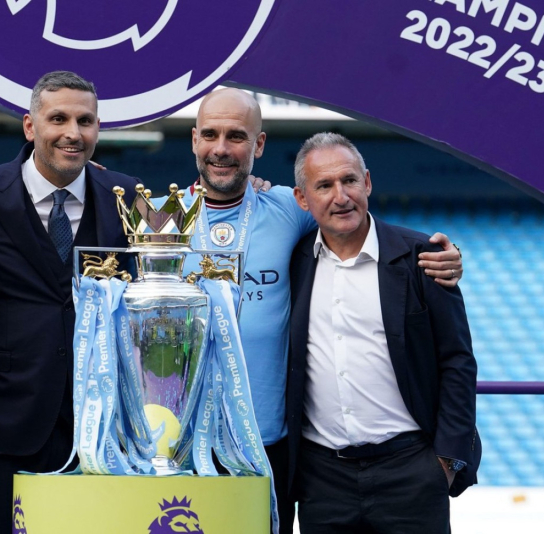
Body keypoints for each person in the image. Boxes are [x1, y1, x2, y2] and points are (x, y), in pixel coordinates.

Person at [164, 88, 463, 533]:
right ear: (194, 140)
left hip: (272, 448)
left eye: (237, 136)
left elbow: (350, 216)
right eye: (210, 134)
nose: (221, 148)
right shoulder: (156, 218)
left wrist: (447, 255)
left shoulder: (289, 208)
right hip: (183, 445)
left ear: (259, 145)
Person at [0, 71, 139, 533]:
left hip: (99, 434)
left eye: (85, 121)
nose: (73, 133)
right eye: (58, 119)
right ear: (29, 125)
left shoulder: (127, 197)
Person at [286, 133, 480, 533]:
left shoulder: (423, 257)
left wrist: (445, 463)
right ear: (303, 199)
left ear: (368, 182)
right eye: (324, 185)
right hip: (323, 480)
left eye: (349, 180)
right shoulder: (293, 261)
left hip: (412, 472)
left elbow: (458, 360)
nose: (341, 196)